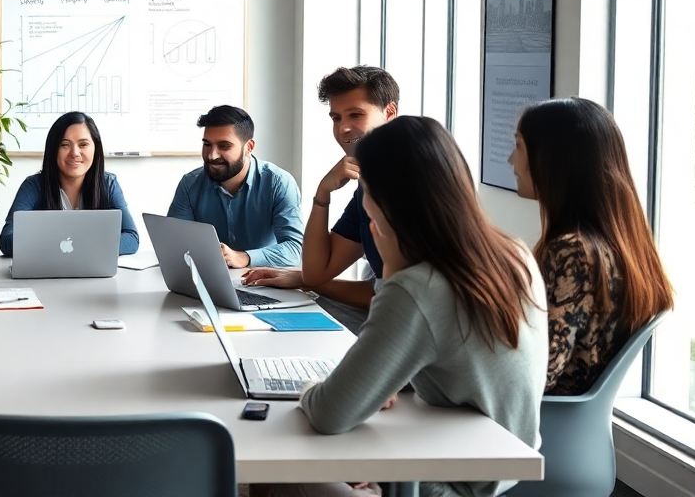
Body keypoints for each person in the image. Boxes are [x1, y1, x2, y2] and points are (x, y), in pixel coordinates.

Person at [287, 117, 546, 497]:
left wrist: (308, 387)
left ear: (382, 199)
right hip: (504, 470)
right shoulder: (516, 254)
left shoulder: (418, 287)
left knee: (293, 463)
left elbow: (329, 413)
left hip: (450, 483)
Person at [510, 97, 674, 395]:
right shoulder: (614, 244)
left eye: (518, 146)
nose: (511, 160)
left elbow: (536, 374)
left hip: (543, 418)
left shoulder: (573, 252)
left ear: (553, 158)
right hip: (570, 420)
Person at [244, 66, 400, 333]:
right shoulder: (367, 186)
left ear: (389, 113)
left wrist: (306, 282)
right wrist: (322, 194)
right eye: (336, 118)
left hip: (424, 326)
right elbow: (317, 271)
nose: (343, 128)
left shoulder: (411, 183)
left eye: (356, 114)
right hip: (389, 308)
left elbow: (397, 297)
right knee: (279, 317)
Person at [166, 105, 303, 268]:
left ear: (248, 148)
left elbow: (294, 249)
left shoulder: (279, 183)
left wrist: (244, 257)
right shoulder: (190, 184)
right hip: (208, 278)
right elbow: (173, 244)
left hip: (260, 278)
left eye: (224, 146)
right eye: (207, 144)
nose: (212, 156)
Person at [0, 111, 139, 257]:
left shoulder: (109, 184)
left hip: (92, 269)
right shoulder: (33, 186)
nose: (75, 153)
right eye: (65, 144)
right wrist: (57, 246)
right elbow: (7, 239)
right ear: (53, 149)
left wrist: (84, 248)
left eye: (83, 144)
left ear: (95, 148)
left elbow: (131, 237)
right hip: (47, 270)